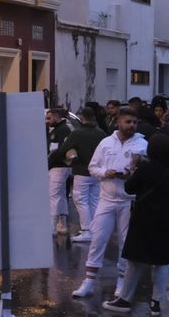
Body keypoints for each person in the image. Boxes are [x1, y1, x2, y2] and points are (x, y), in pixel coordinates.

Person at [72, 111, 148, 299]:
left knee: (125, 243)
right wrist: (106, 173)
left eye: (134, 122)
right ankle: (88, 282)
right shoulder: (106, 143)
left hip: (129, 201)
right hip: (106, 199)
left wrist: (133, 174)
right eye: (128, 122)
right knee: (98, 239)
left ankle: (121, 281)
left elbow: (147, 170)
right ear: (118, 123)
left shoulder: (142, 144)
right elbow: (93, 167)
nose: (132, 125)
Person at [106, 133, 169, 316]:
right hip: (166, 218)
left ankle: (125, 299)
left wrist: (133, 169)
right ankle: (157, 302)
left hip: (144, 218)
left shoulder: (146, 168)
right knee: (161, 262)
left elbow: (129, 187)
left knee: (135, 260)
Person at [60, 109, 107, 243]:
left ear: (82, 117)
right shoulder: (101, 133)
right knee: (94, 201)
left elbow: (64, 149)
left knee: (81, 201)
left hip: (81, 171)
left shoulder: (77, 133)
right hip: (97, 172)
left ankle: (86, 230)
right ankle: (93, 229)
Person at [46, 108, 73, 236]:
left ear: (56, 117)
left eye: (49, 118)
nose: (47, 121)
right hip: (59, 166)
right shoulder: (59, 129)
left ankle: (52, 226)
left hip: (59, 166)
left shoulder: (62, 130)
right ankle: (61, 223)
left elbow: (57, 150)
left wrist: (49, 161)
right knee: (60, 195)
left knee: (54, 195)